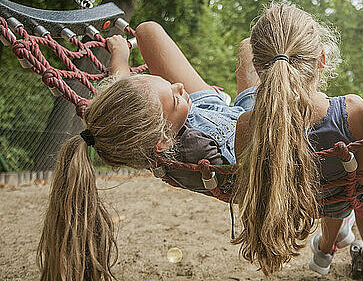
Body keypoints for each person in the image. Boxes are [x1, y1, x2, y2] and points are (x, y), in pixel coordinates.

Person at [37, 20, 262, 280]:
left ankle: (167, 95)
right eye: (175, 94)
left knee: (147, 31)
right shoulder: (195, 152)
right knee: (253, 50)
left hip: (201, 112)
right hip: (244, 131)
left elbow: (121, 85)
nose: (179, 86)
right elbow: (251, 169)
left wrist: (121, 55)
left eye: (168, 84)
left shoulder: (131, 130)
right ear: (164, 141)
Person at [232, 3, 363, 277]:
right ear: (322, 59)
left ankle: (333, 237)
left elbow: (246, 182)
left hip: (293, 188)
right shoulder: (353, 110)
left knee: (245, 47)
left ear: (260, 70)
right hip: (336, 201)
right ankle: (336, 234)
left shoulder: (247, 125)